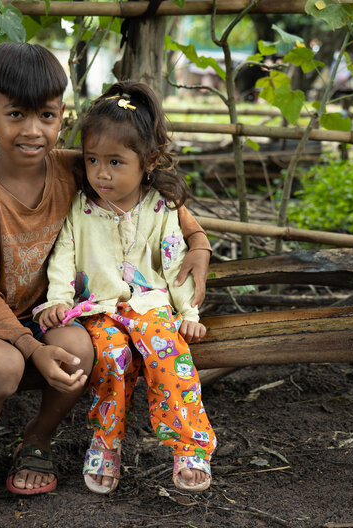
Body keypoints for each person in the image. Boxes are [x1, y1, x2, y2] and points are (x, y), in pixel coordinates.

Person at [0, 44, 212, 526]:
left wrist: (199, 246)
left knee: (81, 351)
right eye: (15, 113)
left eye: (45, 114)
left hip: (47, 311)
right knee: (3, 367)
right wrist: (28, 346)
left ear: (61, 115)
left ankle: (37, 439)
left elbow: (160, 195)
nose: (31, 130)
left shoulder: (75, 166)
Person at [34, 81, 216, 495]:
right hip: (96, 309)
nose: (101, 172)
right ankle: (106, 440)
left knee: (169, 355)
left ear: (148, 161)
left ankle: (190, 445)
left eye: (116, 162)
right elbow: (63, 256)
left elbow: (175, 263)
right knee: (112, 358)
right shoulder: (80, 209)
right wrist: (58, 301)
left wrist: (188, 314)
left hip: (151, 306)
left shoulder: (159, 207)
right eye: (93, 159)